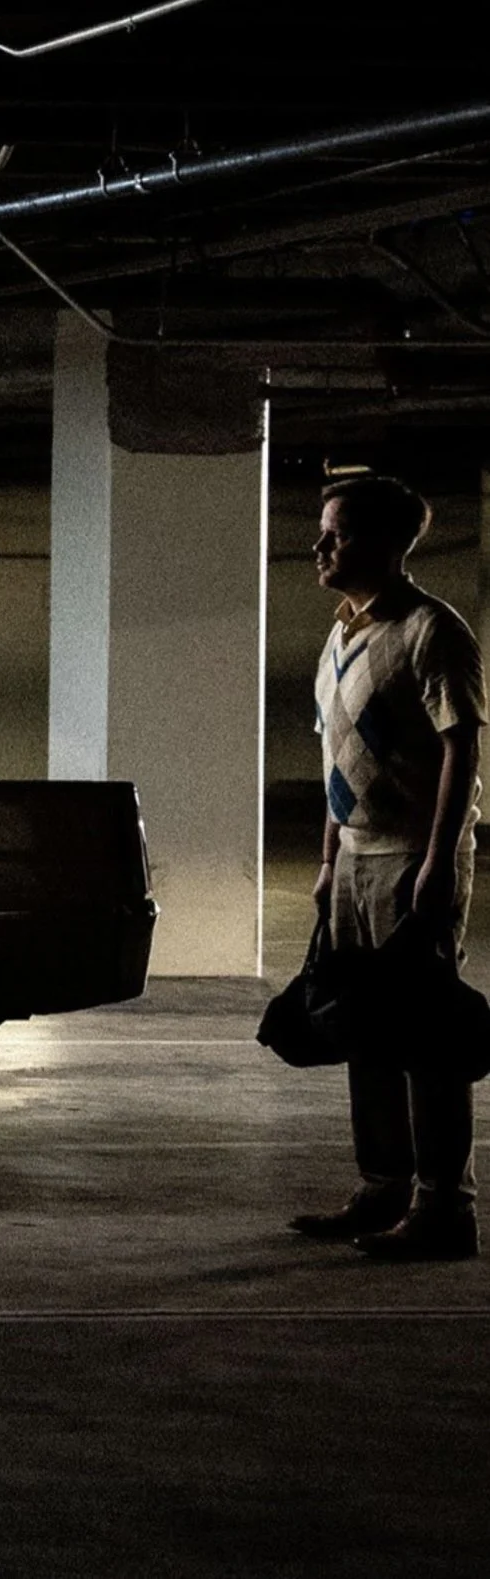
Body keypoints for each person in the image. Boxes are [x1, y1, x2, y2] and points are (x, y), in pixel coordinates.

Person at [293, 472, 488, 1261]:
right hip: (353, 862)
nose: (320, 546)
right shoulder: (341, 635)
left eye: (335, 533)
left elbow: (462, 748)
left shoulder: (433, 632)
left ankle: (446, 1205)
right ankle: (382, 1186)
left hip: (412, 858)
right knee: (366, 1031)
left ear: (383, 542)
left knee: (426, 1037)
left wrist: (439, 859)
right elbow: (334, 756)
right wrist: (327, 856)